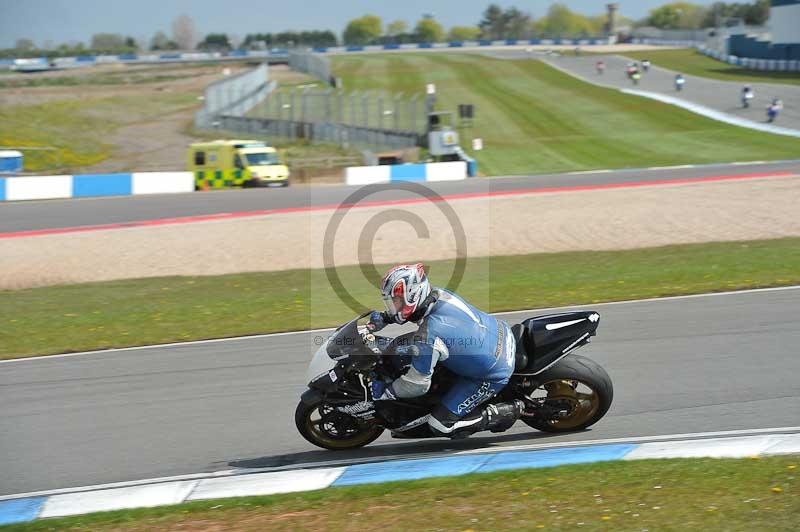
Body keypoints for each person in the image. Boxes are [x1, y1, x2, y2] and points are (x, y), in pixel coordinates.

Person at [367, 263, 523, 439]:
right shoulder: (439, 294)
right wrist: (386, 317)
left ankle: (501, 412)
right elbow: (414, 314)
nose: (393, 307)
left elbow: (416, 385)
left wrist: (388, 393)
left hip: (492, 372)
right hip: (499, 332)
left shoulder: (429, 336)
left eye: (395, 301)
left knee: (440, 425)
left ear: (412, 295)